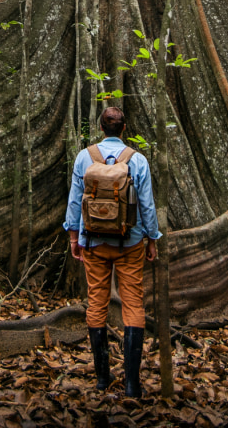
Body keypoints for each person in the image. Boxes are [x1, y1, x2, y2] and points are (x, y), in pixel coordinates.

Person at [64, 105, 160, 397]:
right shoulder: (137, 159)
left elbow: (74, 200)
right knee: (133, 305)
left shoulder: (84, 157)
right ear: (124, 128)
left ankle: (102, 379)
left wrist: (74, 237)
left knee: (97, 303)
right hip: (130, 243)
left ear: (100, 127)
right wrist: (152, 238)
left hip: (93, 242)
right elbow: (147, 204)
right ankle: (132, 384)